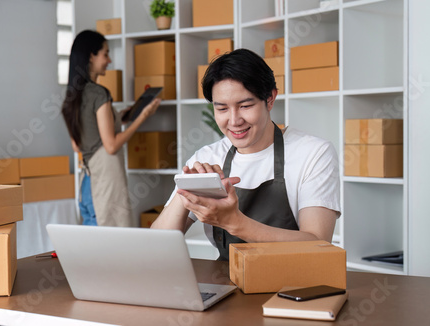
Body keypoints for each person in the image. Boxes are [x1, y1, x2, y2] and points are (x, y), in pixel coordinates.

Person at [151, 49, 340, 260]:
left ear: (270, 99)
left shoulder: (313, 153)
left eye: (245, 106)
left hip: (292, 285)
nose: (234, 120)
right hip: (227, 282)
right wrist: (185, 190)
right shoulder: (208, 157)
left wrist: (234, 223)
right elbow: (157, 246)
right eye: (222, 109)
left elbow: (319, 245)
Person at [62, 30, 160, 226]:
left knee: (92, 244)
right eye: (105, 54)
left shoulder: (72, 96)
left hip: (87, 184)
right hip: (105, 181)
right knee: (111, 243)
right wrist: (142, 117)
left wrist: (121, 115)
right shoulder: (99, 93)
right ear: (92, 55)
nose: (109, 60)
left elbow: (77, 145)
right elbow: (111, 146)